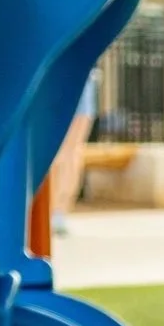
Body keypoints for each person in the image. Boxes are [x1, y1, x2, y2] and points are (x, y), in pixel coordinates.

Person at [49, 69, 99, 237]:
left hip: (64, 78)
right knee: (72, 152)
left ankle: (55, 210)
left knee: (63, 152)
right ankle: (60, 212)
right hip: (84, 77)